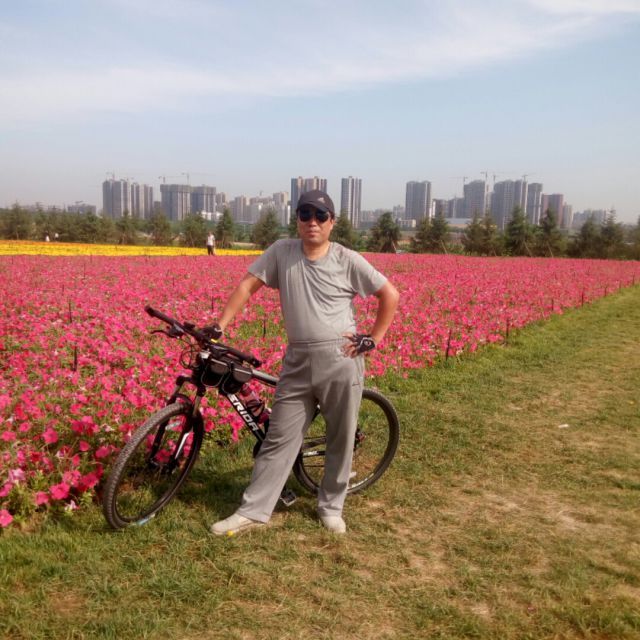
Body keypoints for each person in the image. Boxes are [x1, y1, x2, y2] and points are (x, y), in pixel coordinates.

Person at [206, 190, 399, 536]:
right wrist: (219, 326)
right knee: (279, 436)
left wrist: (374, 338)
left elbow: (390, 294)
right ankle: (253, 510)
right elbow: (247, 286)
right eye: (305, 214)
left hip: (340, 359)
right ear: (296, 219)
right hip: (297, 360)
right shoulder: (282, 252)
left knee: (340, 435)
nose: (313, 222)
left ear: (332, 222)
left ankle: (331, 507)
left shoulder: (347, 258)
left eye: (321, 216)